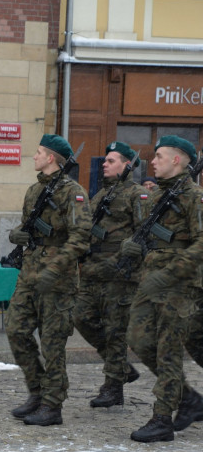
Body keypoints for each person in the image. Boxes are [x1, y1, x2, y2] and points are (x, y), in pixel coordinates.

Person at [6, 134, 91, 426]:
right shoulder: (34, 190)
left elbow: (81, 238)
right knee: (16, 329)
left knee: (52, 344)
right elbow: (30, 227)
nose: (34, 156)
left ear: (52, 158)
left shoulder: (73, 192)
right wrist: (17, 234)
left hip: (58, 279)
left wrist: (54, 268)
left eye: (39, 152)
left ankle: (52, 405)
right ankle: (37, 390)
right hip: (30, 272)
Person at [123, 136, 203, 442]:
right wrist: (135, 247)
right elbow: (157, 239)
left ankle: (162, 419)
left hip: (179, 284)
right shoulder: (158, 198)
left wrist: (170, 272)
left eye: (159, 156)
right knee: (139, 340)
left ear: (177, 160)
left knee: (168, 349)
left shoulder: (194, 197)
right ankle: (189, 399)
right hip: (152, 281)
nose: (152, 161)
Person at [72, 141, 146, 408]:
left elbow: (143, 237)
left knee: (116, 331)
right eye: (105, 160)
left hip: (119, 275)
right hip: (92, 271)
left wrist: (121, 261)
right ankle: (122, 368)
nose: (104, 163)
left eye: (111, 160)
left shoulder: (137, 195)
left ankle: (113, 387)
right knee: (80, 317)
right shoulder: (102, 195)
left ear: (128, 165)